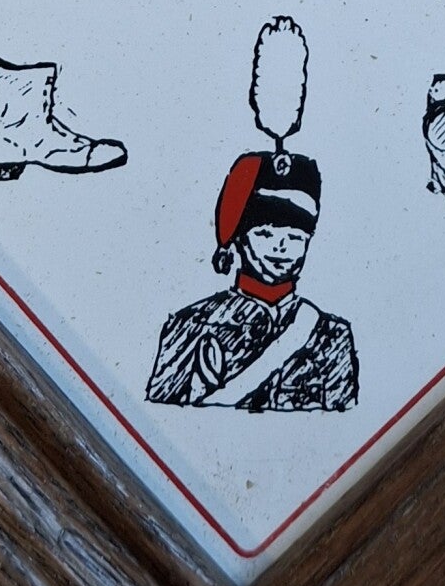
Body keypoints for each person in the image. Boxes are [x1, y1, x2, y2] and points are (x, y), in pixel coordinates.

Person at [145, 151, 358, 412]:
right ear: (239, 238)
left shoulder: (331, 334)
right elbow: (160, 412)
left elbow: (344, 419)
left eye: (295, 237)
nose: (280, 247)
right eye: (265, 234)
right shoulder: (190, 325)